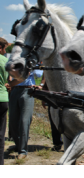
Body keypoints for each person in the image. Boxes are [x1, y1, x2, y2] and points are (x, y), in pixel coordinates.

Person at [8, 67, 43, 159]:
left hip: (28, 91)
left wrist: (41, 84)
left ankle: (23, 151)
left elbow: (41, 74)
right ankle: (18, 144)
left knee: (24, 121)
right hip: (14, 91)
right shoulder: (15, 61)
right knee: (12, 121)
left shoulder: (31, 62)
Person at [41, 74, 63, 152]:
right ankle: (57, 143)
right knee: (54, 121)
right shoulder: (51, 69)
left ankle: (71, 143)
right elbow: (46, 82)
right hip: (52, 97)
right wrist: (44, 98)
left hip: (67, 96)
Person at [0, 37, 10, 165]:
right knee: (1, 133)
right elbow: (15, 79)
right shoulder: (5, 61)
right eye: (4, 49)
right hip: (2, 99)